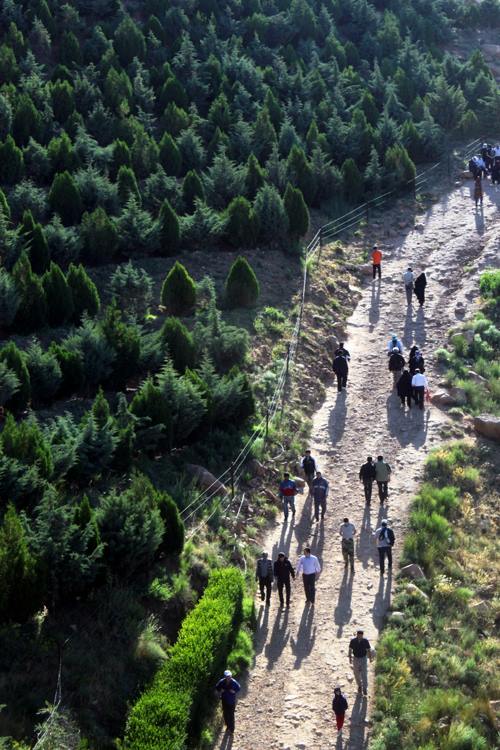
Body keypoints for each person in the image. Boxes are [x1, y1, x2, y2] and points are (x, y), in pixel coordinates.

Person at [216, 670, 241, 734]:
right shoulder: (222, 682)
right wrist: (220, 690)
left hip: (231, 701)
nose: (229, 677)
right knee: (225, 714)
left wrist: (234, 691)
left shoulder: (234, 682)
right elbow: (217, 687)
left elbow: (238, 687)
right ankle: (228, 727)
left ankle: (232, 730)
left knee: (231, 715)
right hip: (224, 700)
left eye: (230, 676)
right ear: (225, 676)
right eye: (227, 676)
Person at [348, 630, 372, 696]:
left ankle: (365, 688)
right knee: (356, 673)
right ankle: (359, 686)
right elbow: (350, 649)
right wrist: (350, 658)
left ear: (362, 635)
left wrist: (370, 658)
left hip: (363, 658)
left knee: (364, 674)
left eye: (361, 635)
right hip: (356, 658)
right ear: (357, 635)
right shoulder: (353, 641)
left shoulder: (365, 641)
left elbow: (369, 650)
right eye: (359, 635)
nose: (360, 636)